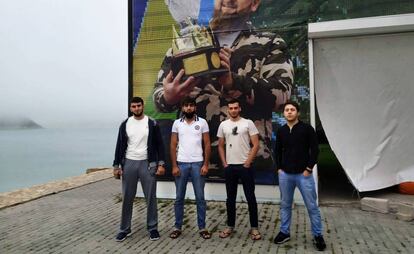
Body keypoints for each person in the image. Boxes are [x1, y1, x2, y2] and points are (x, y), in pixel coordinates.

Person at [153, 0, 294, 173]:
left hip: (250, 163)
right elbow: (159, 94)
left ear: (255, 4)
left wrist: (233, 82)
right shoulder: (185, 45)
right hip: (195, 163)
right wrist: (169, 96)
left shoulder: (269, 43)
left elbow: (282, 95)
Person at [273, 101, 326, 251]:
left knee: (312, 206)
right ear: (284, 113)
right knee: (285, 205)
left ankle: (318, 235)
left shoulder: (307, 129)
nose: (289, 112)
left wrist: (309, 169)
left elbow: (315, 150)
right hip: (285, 175)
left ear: (298, 112)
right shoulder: (282, 131)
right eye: (287, 110)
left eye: (292, 109)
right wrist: (279, 169)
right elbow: (277, 151)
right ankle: (284, 232)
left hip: (304, 175)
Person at [112, 97, 166, 242]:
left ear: (143, 106)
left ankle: (153, 228)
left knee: (150, 197)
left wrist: (161, 164)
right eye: (134, 106)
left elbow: (160, 145)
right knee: (127, 198)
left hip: (148, 164)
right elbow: (119, 145)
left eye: (139, 106)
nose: (136, 108)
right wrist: (116, 166)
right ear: (131, 108)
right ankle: (124, 229)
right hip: (129, 163)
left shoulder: (152, 123)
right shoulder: (125, 124)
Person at [217, 99, 261, 240]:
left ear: (239, 108)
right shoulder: (223, 125)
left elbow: (256, 144)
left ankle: (254, 228)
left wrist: (248, 162)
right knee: (230, 199)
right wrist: (224, 163)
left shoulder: (248, 123)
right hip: (230, 167)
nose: (233, 110)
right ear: (228, 110)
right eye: (231, 108)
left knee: (250, 198)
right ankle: (230, 226)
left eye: (236, 107)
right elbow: (220, 145)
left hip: (245, 166)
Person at [169, 97, 212, 239]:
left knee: (200, 198)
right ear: (182, 108)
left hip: (198, 164)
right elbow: (173, 145)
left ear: (195, 108)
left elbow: (207, 144)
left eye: (191, 106)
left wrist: (205, 164)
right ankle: (177, 227)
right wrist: (174, 165)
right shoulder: (177, 123)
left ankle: (202, 227)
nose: (188, 108)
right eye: (186, 106)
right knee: (179, 198)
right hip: (181, 164)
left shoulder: (202, 122)